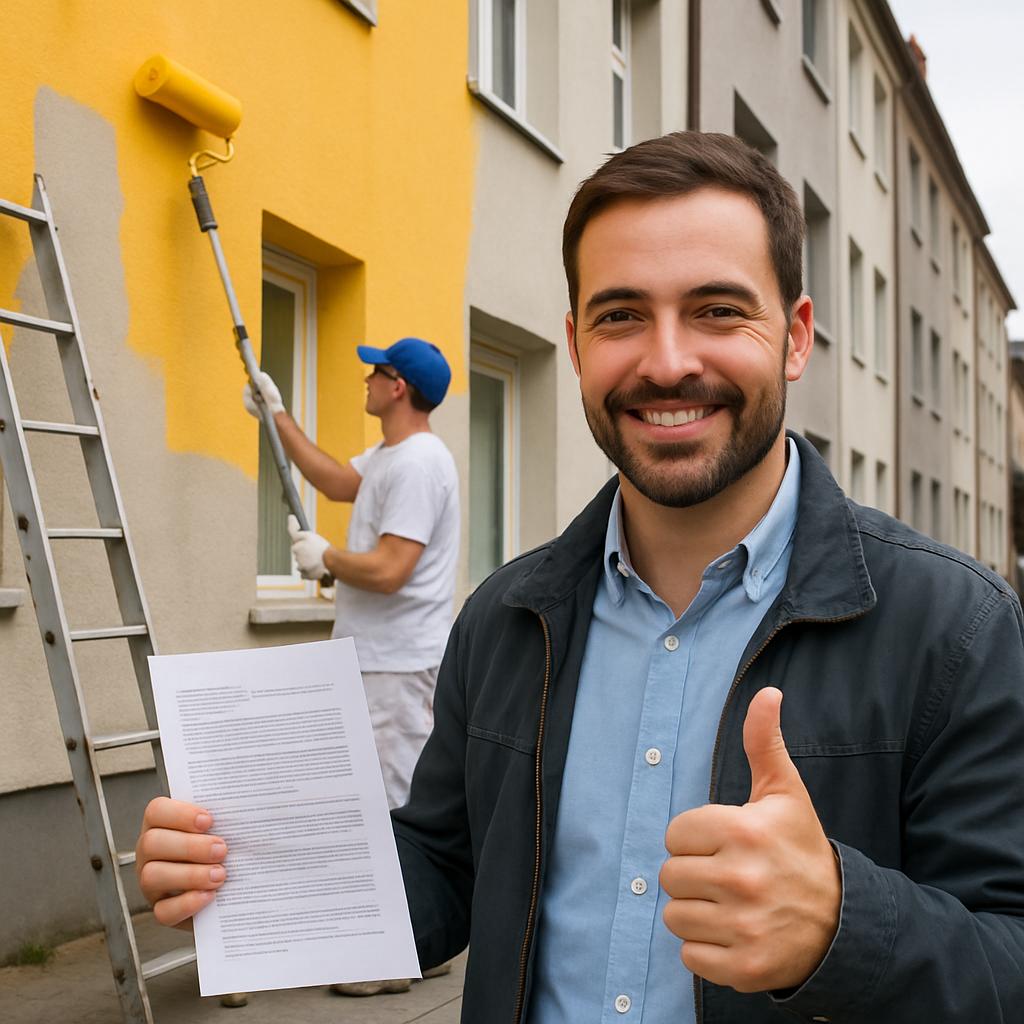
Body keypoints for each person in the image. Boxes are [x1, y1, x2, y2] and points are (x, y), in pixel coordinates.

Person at [137, 132, 1024, 1022]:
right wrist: (252, 867)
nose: (667, 360)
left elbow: (1008, 958)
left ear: (794, 336)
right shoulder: (505, 618)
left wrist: (842, 925)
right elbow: (448, 874)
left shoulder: (954, 628)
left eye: (717, 310)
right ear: (574, 343)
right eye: (620, 315)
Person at [244, 336, 459, 996]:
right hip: (374, 658)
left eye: (376, 371)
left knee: (392, 805)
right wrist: (274, 415)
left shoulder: (421, 463)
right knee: (374, 798)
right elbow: (336, 480)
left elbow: (393, 569)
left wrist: (328, 558)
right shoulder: (393, 457)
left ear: (399, 387)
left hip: (396, 665)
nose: (365, 378)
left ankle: (393, 953)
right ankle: (422, 942)